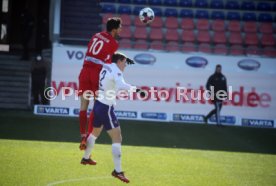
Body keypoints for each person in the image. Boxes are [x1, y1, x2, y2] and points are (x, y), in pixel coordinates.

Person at [80, 52, 143, 183]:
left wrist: (123, 59)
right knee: (117, 137)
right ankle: (118, 171)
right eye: (124, 62)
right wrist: (138, 90)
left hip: (98, 104)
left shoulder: (106, 66)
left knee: (94, 133)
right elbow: (122, 86)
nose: (125, 65)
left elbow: (111, 62)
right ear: (119, 61)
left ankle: (86, 158)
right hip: (106, 108)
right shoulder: (116, 71)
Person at [78, 17, 122, 150]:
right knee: (96, 107)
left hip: (85, 71)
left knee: (83, 106)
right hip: (96, 74)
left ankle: (82, 136)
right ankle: (88, 137)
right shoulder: (114, 43)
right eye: (120, 27)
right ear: (114, 30)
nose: (121, 29)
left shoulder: (96, 35)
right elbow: (108, 62)